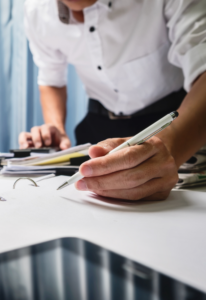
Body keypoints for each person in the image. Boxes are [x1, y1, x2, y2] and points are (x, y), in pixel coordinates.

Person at [19, 0, 206, 201]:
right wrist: (56, 128)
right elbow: (51, 79)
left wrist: (169, 148)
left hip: (180, 124)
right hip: (97, 127)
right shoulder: (36, 9)